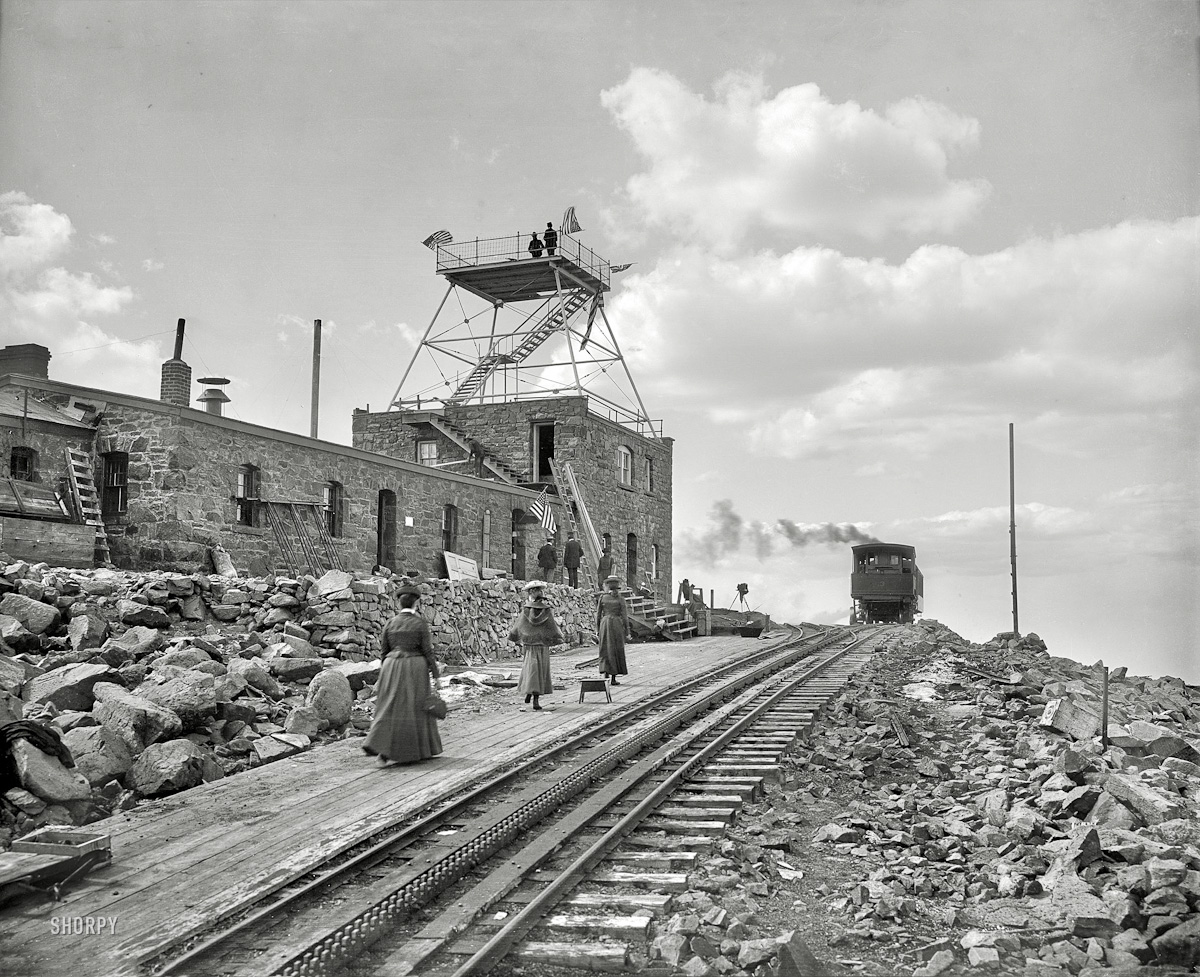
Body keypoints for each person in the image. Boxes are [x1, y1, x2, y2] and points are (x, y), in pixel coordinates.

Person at [363, 580, 443, 766]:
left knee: (389, 706)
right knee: (415, 707)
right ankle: (419, 749)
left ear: (399, 603)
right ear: (416, 603)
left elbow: (383, 652)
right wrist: (437, 676)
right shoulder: (420, 623)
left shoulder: (390, 623)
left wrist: (384, 675)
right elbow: (428, 652)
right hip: (415, 667)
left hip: (391, 666)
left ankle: (382, 751)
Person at [509, 580, 563, 711]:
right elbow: (552, 628)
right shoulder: (546, 611)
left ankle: (529, 692)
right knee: (540, 672)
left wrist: (515, 635)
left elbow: (519, 626)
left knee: (530, 669)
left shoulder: (526, 609)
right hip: (542, 645)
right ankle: (535, 699)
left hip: (530, 645)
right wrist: (558, 638)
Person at [596, 575, 630, 686]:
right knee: (616, 649)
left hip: (604, 624)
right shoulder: (621, 599)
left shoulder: (603, 598)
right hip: (616, 624)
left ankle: (605, 674)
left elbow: (598, 615)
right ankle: (613, 677)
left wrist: (597, 629)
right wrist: (627, 631)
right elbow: (625, 617)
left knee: (605, 648)